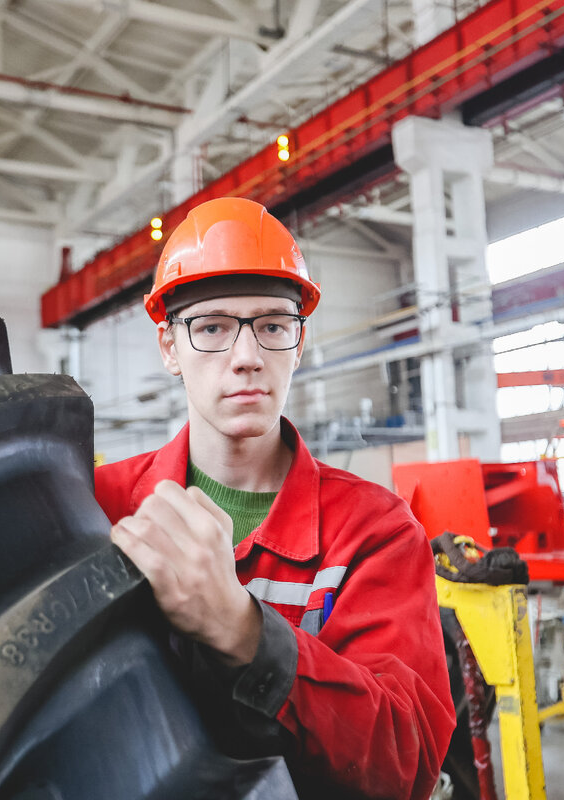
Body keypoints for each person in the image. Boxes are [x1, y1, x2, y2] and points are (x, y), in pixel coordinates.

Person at [95, 196, 453, 799]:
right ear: (168, 348)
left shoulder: (375, 530)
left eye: (272, 326)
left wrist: (242, 631)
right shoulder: (103, 504)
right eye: (211, 327)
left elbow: (406, 761)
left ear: (299, 341)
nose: (247, 357)